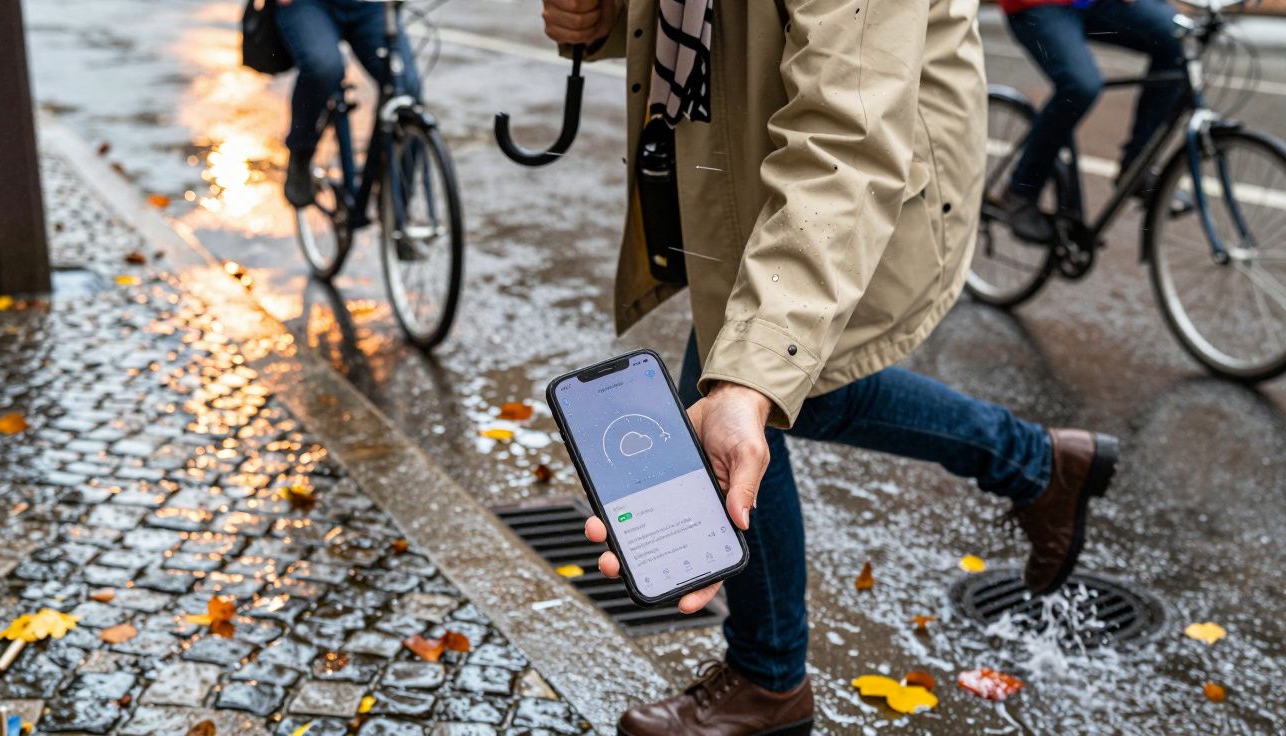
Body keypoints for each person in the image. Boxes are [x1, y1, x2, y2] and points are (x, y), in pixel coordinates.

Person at [541, 0, 1121, 733]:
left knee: (749, 381)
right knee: (762, 387)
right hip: (747, 158)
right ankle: (1037, 465)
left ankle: (769, 675)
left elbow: (848, 138)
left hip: (859, 190)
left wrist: (750, 378)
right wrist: (603, 18)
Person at [998, 0, 1186, 243]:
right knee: (1080, 86)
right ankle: (1020, 192)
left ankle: (1137, 166)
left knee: (1178, 39)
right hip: (1038, 5)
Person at [275, 0, 422, 207]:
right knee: (323, 68)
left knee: (406, 91)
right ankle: (301, 152)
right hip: (309, 4)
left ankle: (396, 200)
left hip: (372, 6)